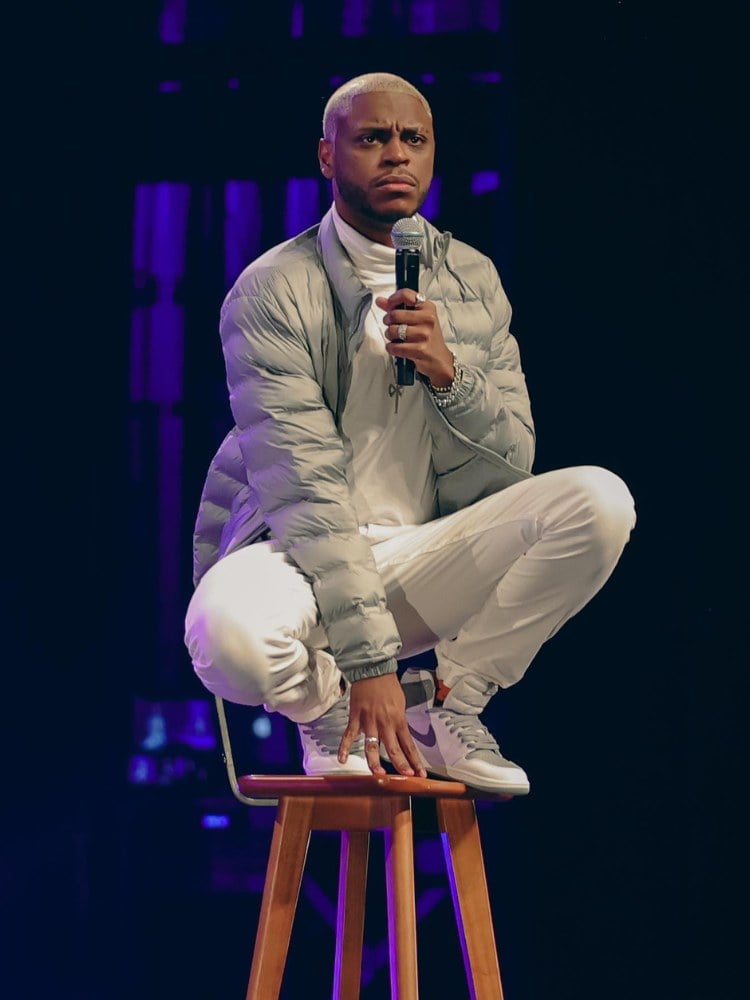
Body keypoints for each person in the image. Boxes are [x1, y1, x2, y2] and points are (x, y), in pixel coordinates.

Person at [184, 71, 636, 795]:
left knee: (600, 502)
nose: (396, 155)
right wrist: (368, 665)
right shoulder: (272, 289)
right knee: (225, 637)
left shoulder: (471, 280)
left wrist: (447, 373)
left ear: (432, 155)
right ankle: (325, 709)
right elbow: (303, 486)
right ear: (329, 157)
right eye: (371, 139)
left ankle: (450, 704)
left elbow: (512, 468)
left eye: (413, 139)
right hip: (302, 555)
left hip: (424, 556)